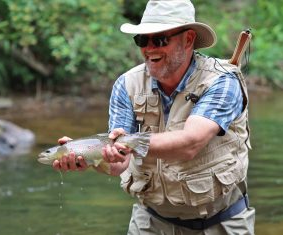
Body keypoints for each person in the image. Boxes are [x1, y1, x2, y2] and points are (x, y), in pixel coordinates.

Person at [52, 0, 255, 234]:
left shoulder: (222, 81)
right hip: (150, 222)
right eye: (142, 40)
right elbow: (118, 165)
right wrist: (89, 157)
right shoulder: (126, 85)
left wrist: (127, 143)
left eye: (159, 39)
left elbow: (190, 143)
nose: (149, 49)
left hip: (221, 223)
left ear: (188, 40)